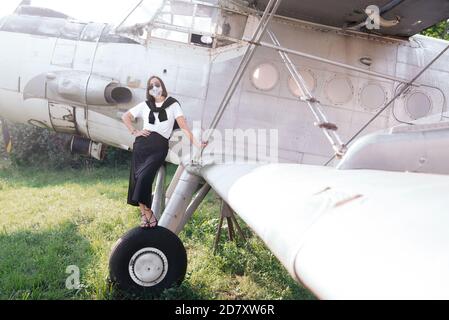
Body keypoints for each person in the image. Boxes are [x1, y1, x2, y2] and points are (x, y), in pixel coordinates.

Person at [122, 76, 206, 228]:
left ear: (162, 86)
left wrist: (197, 144)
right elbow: (125, 116)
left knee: (143, 178)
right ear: (148, 90)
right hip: (142, 145)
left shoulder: (172, 105)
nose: (154, 87)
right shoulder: (145, 105)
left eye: (157, 84)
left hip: (159, 145)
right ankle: (146, 216)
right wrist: (135, 131)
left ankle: (149, 215)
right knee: (136, 180)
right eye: (151, 86)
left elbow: (184, 126)